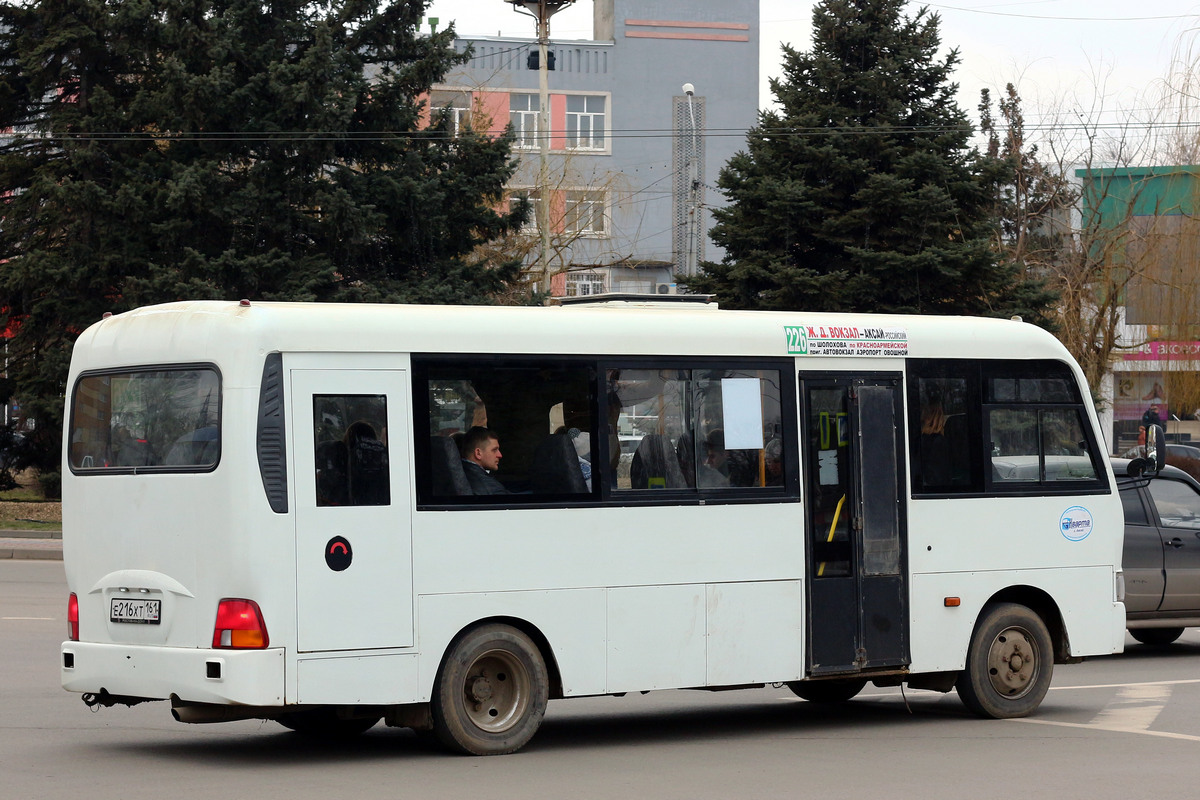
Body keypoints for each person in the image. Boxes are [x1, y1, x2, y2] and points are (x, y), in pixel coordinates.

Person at [460, 426, 512, 495]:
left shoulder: (461, 471)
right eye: (494, 450)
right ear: (478, 453)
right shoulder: (492, 489)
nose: (500, 455)